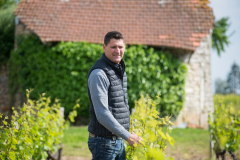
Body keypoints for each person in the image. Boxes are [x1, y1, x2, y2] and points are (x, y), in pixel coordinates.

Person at [87, 31, 141, 160]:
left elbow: (120, 106)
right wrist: (127, 136)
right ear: (104, 47)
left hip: (118, 140)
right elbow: (102, 114)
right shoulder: (99, 74)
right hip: (103, 142)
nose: (118, 51)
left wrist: (126, 133)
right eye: (113, 47)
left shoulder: (119, 70)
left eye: (120, 47)